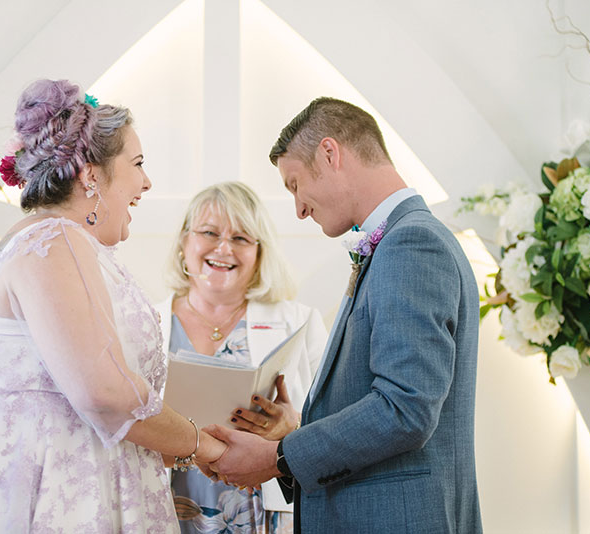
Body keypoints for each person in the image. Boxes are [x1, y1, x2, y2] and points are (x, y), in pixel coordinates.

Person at [0, 79, 226, 533]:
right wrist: (207, 447)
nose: (147, 182)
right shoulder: (55, 241)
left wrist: (186, 445)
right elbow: (104, 394)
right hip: (42, 492)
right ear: (90, 173)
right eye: (138, 164)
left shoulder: (37, 241)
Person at [204, 98, 482, 533]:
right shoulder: (400, 241)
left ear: (330, 154)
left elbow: (404, 409)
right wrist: (292, 431)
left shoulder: (411, 245)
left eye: (295, 183)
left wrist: (278, 458)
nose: (298, 207)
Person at [155, 182, 327, 533]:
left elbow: (336, 428)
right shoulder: (145, 321)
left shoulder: (299, 322)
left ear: (259, 253)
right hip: (165, 505)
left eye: (241, 238)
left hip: (263, 513)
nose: (223, 249)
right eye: (209, 233)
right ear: (184, 242)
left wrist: (291, 428)